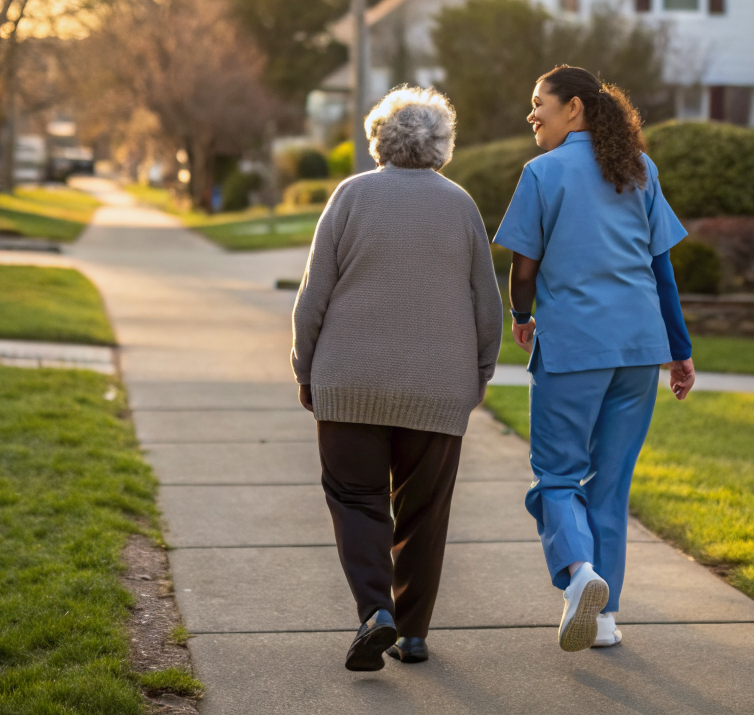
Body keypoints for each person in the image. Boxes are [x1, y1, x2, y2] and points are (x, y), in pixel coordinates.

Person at [292, 86, 504, 672]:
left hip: (348, 379)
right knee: (424, 510)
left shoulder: (351, 196)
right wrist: (480, 372)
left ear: (378, 140)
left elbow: (314, 296)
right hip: (437, 387)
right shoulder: (460, 204)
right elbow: (486, 303)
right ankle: (411, 634)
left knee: (356, 500)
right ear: (442, 145)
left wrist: (305, 367)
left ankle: (373, 612)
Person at [494, 64, 695, 653]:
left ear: (575, 107)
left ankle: (580, 574)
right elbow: (662, 269)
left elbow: (522, 267)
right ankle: (605, 621)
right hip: (640, 349)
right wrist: (679, 352)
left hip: (575, 347)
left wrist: (522, 316)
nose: (532, 115)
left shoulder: (541, 173)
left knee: (556, 477)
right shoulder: (639, 167)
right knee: (610, 485)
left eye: (540, 104)